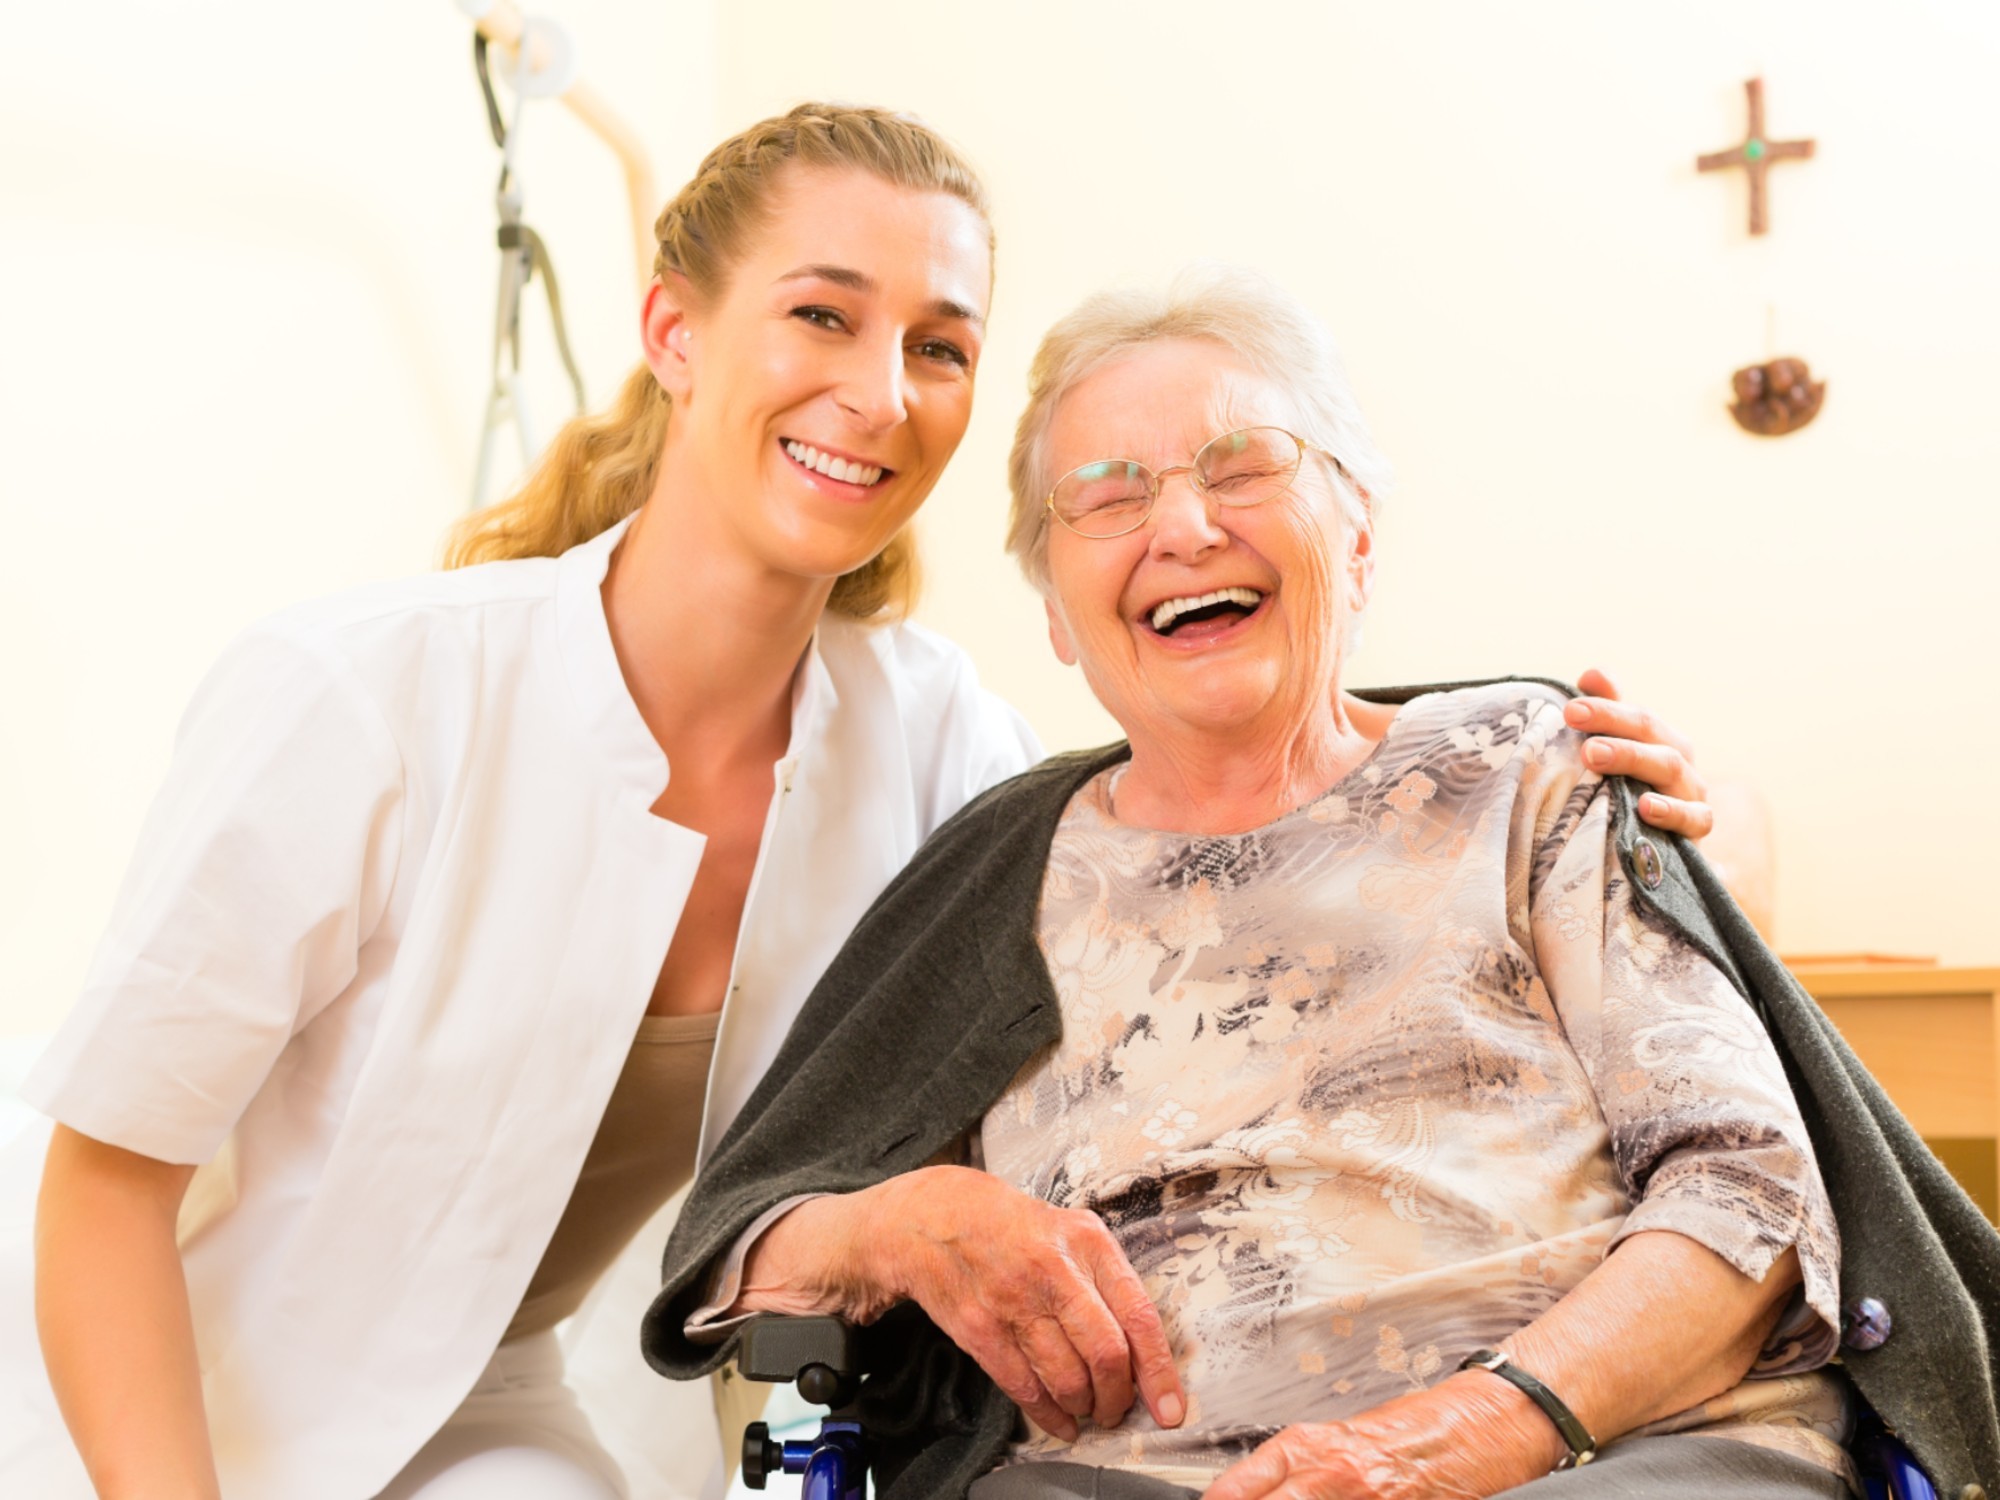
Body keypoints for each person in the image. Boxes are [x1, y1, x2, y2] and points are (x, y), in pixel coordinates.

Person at [11, 109, 1709, 1500]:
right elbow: (102, 1197)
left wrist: (1535, 772)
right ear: (676, 331)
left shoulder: (932, 738)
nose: (882, 394)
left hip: (498, 1409)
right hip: (155, 1392)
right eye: (822, 314)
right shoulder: (359, 694)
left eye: (940, 347)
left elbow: (1193, 836)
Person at [641, 268, 2000, 1500]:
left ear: (1356, 539)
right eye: (1108, 495)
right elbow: (736, 1254)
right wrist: (906, 1220)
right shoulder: (1002, 863)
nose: (1180, 524)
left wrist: (1489, 1427)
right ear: (1055, 607)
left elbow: (1750, 1191)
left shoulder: (1530, 765)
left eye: (1244, 467)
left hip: (1613, 1451)